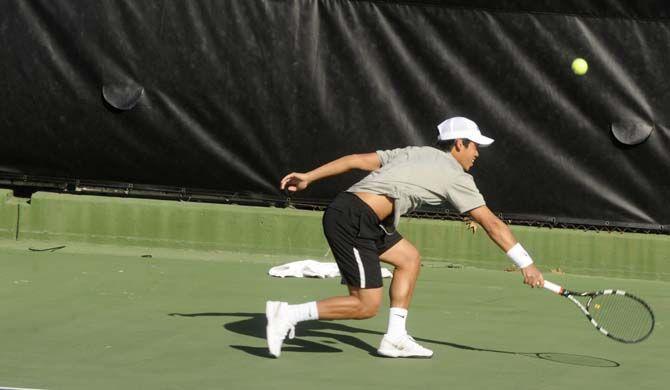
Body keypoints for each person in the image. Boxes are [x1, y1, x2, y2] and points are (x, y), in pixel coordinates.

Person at [266, 116, 544, 358]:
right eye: (474, 146)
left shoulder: (415, 152)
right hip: (354, 219)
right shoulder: (456, 176)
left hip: (360, 216)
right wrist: (526, 264)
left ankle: (395, 338)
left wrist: (308, 177)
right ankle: (287, 315)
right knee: (365, 305)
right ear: (459, 143)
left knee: (409, 259)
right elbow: (491, 224)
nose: (477, 154)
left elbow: (354, 161)